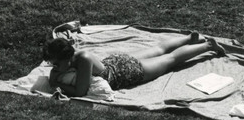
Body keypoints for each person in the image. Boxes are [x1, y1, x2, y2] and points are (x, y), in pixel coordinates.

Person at [43, 32, 225, 97]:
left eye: (56, 64)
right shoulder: (76, 55)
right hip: (116, 62)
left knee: (170, 60)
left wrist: (56, 83)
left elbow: (80, 92)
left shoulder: (82, 60)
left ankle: (208, 45)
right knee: (159, 49)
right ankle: (189, 38)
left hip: (128, 71)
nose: (54, 68)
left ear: (66, 58)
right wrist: (58, 73)